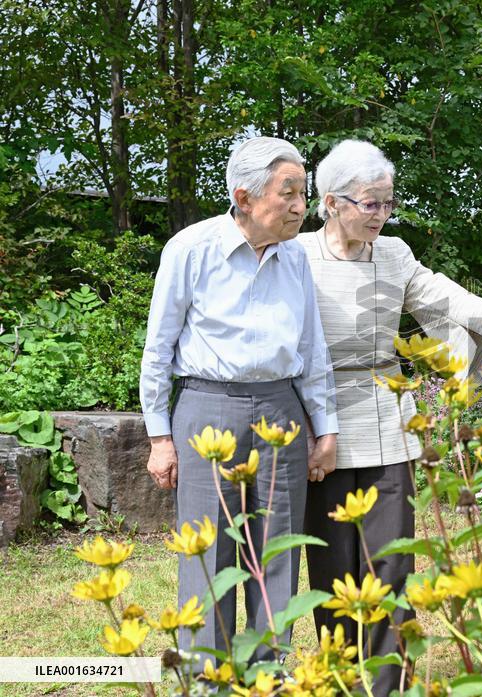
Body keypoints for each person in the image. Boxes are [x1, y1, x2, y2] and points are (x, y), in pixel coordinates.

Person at [299, 139, 482, 695]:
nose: (381, 215)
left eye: (388, 203)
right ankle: (339, 680)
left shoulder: (395, 255)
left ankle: (387, 686)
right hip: (324, 423)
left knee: (391, 568)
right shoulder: (297, 257)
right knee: (335, 574)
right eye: (369, 204)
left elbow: (450, 303)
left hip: (390, 423)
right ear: (332, 203)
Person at [140, 136, 339, 662]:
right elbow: (158, 348)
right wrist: (160, 436)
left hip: (282, 412)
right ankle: (206, 679)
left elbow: (311, 350)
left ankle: (268, 673)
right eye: (288, 192)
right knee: (208, 551)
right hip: (207, 408)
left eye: (303, 193)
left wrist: (327, 429)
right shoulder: (191, 248)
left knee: (277, 550)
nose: (300, 206)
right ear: (245, 197)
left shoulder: (295, 259)